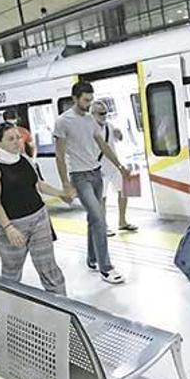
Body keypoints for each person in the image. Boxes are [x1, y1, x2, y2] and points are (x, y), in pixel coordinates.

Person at [54, 82, 130, 284]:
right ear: (75, 98)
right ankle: (106, 268)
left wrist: (120, 166)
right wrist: (65, 184)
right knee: (98, 217)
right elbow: (60, 156)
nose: (88, 104)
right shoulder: (63, 122)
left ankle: (92, 258)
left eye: (90, 99)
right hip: (80, 177)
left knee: (93, 219)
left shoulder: (90, 120)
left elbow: (103, 145)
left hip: (96, 174)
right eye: (85, 100)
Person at [0, 122, 69, 294]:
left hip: (39, 218)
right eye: (11, 139)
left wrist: (60, 193)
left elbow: (37, 184)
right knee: (11, 272)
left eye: (18, 138)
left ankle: (64, 309)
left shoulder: (25, 159)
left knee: (48, 267)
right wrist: (8, 228)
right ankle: (8, 308)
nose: (17, 142)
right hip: (13, 225)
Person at [91, 99, 138, 239]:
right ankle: (103, 226)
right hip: (99, 169)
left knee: (124, 191)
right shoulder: (89, 129)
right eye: (101, 113)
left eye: (106, 113)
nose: (104, 116)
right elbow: (105, 150)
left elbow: (118, 138)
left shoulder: (108, 126)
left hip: (113, 168)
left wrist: (119, 133)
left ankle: (122, 221)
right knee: (101, 199)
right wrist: (120, 166)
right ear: (92, 113)